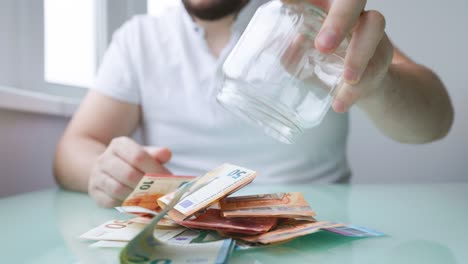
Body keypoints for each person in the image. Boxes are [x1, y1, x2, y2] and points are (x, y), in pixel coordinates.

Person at [53, 0, 453, 207]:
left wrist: (375, 83)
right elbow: (74, 148)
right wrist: (105, 171)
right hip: (180, 225)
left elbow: (435, 122)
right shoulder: (138, 38)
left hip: (314, 229)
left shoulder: (311, 14)